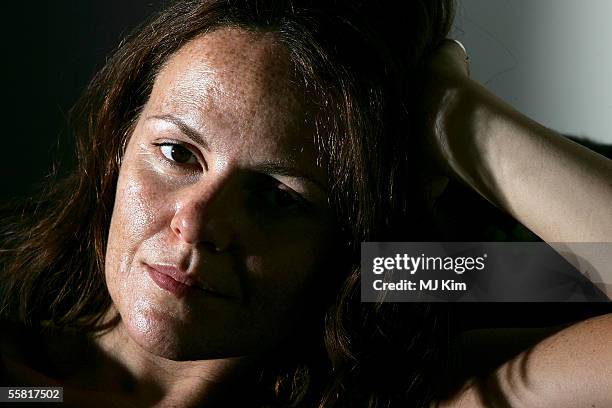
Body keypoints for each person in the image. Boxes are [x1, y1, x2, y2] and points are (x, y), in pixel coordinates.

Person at [1, 1, 610, 406]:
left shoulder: (418, 367)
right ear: (116, 148)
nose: (195, 224)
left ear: (348, 245)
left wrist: (449, 114)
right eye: (176, 153)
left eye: (277, 195)